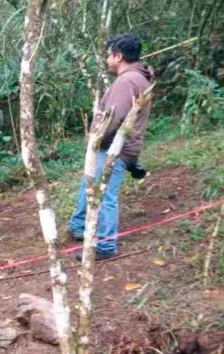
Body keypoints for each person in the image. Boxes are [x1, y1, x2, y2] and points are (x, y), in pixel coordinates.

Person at [68, 33, 153, 260]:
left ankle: (106, 246)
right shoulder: (138, 78)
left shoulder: (127, 81)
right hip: (118, 146)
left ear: (118, 56)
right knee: (89, 183)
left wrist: (96, 141)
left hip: (115, 148)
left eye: (109, 55)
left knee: (105, 194)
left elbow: (114, 119)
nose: (107, 59)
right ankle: (78, 226)